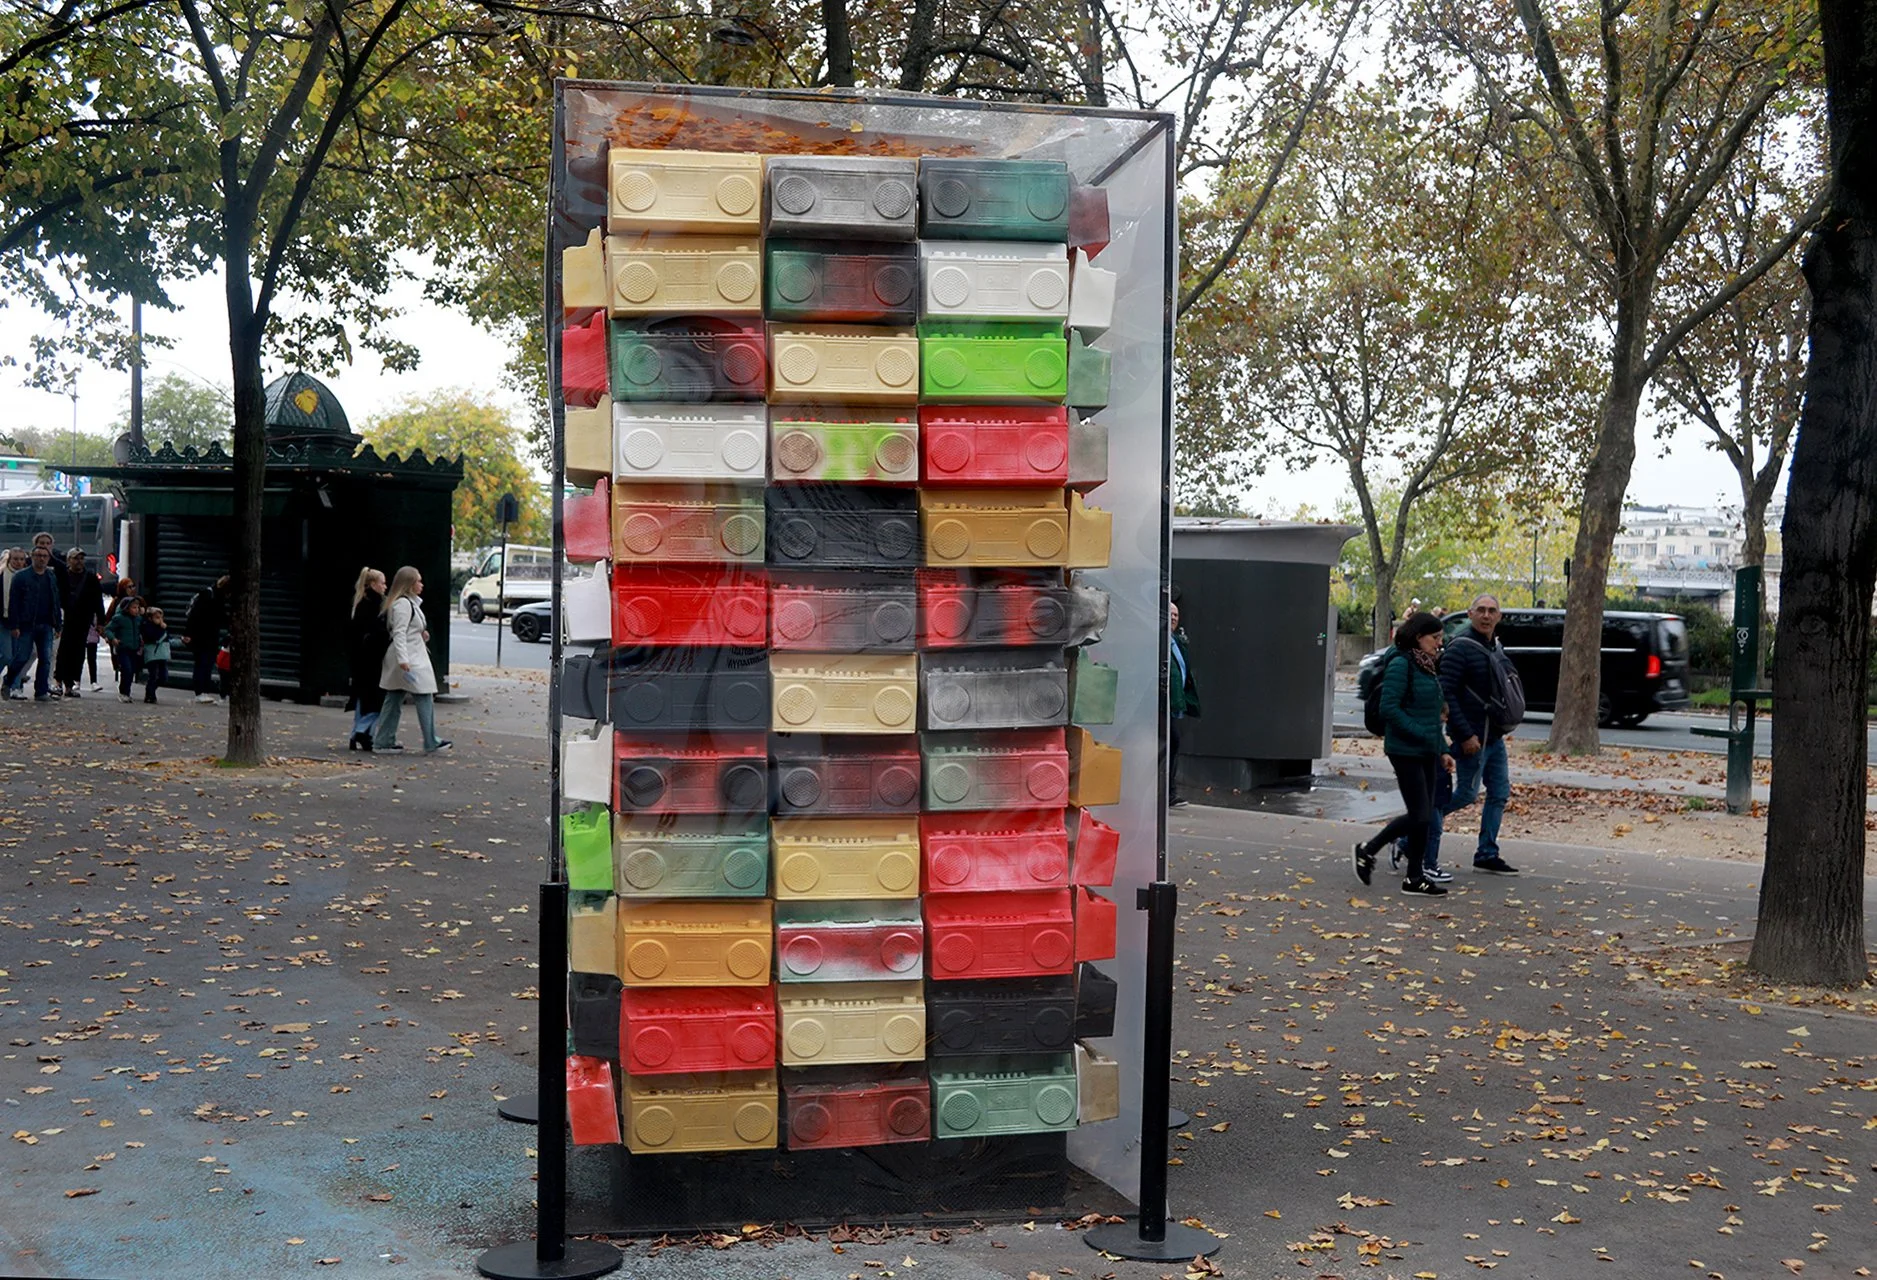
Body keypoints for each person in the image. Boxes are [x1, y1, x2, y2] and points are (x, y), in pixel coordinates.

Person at [1351, 611, 1452, 896]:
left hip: (1427, 749)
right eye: (1434, 638)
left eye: (1440, 638)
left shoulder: (1427, 666)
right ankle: (1367, 850)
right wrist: (1421, 732)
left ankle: (1415, 877)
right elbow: (1389, 709)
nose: (1438, 644)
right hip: (1404, 749)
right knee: (1420, 815)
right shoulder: (1400, 664)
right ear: (1419, 637)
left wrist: (1442, 749)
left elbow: (1435, 714)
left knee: (1426, 814)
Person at [1433, 593, 1520, 875]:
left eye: (1491, 611)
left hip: (1493, 737)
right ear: (1470, 614)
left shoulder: (1495, 645)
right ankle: (1411, 832)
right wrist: (1466, 734)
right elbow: (1447, 693)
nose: (1486, 615)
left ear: (1499, 616)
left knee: (1499, 793)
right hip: (1471, 737)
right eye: (1480, 610)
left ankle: (1487, 853)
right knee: (1466, 794)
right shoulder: (1460, 647)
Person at [372, 565, 450, 755]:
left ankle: (383, 740)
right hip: (410, 659)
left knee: (394, 698)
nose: (421, 584)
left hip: (407, 656)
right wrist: (403, 660)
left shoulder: (406, 603)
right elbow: (399, 633)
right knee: (423, 695)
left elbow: (404, 630)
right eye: (418, 581)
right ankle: (430, 740)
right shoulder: (404, 605)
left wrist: (420, 634)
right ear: (409, 584)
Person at [6, 544, 63, 701]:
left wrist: (58, 623)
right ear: (32, 557)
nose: (41, 559)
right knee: (22, 657)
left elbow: (55, 601)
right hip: (26, 624)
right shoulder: (21, 577)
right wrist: (14, 625)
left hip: (46, 624)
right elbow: (14, 603)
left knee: (46, 658)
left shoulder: (51, 577)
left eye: (44, 556)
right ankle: (9, 681)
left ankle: (41, 691)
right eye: (38, 556)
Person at [346, 567, 389, 751]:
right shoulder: (377, 604)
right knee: (377, 699)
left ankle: (359, 733)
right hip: (373, 660)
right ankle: (362, 731)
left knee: (363, 699)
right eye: (382, 583)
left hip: (360, 660)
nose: (385, 586)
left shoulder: (359, 603)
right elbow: (380, 632)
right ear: (373, 584)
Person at [54, 549, 105, 697]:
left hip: (83, 620)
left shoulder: (90, 578)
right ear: (69, 560)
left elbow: (98, 600)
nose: (79, 561)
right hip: (65, 619)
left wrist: (100, 621)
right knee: (63, 651)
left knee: (78, 653)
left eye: (81, 558)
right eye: (76, 558)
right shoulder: (63, 576)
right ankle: (58, 681)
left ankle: (70, 684)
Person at [1168, 600, 1201, 808]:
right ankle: (1167, 792)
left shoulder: (1175, 641)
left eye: (1176, 615)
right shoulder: (1161, 642)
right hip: (1164, 704)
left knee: (1172, 743)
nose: (1173, 618)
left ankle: (1168, 792)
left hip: (1173, 704)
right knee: (1171, 743)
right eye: (1170, 614)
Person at [183, 575, 229, 703]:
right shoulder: (209, 595)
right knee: (203, 663)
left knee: (206, 663)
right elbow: (195, 615)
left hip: (208, 635)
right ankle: (200, 692)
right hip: (202, 635)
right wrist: (188, 633)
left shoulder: (215, 595)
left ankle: (203, 691)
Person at [103, 595, 144, 702]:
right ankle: (123, 692)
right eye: (133, 608)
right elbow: (108, 629)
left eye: (137, 608)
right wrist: (113, 639)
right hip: (123, 648)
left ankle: (127, 691)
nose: (136, 610)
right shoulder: (119, 618)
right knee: (127, 669)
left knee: (131, 671)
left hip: (134, 648)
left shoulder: (138, 619)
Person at [140, 607, 173, 703]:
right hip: (152, 654)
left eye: (161, 618)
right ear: (150, 618)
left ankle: (151, 690)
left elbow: (168, 638)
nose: (160, 620)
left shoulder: (162, 627)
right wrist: (162, 629)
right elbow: (152, 636)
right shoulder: (147, 626)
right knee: (153, 674)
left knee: (163, 676)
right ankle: (150, 694)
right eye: (157, 618)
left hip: (161, 654)